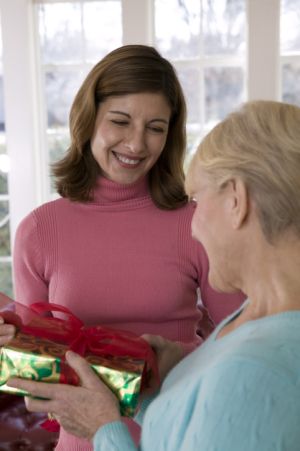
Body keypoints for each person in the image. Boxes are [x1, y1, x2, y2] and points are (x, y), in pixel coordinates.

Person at [7, 100, 300, 450]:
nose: (192, 228)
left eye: (197, 199)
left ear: (235, 201)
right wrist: (167, 385)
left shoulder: (254, 369)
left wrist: (103, 429)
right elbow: (194, 431)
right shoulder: (253, 320)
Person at [0, 45, 244, 450]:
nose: (136, 144)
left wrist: (167, 358)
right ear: (89, 119)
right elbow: (37, 390)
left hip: (182, 437)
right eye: (120, 121)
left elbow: (240, 341)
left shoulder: (197, 222)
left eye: (155, 127)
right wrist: (11, 348)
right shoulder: (39, 230)